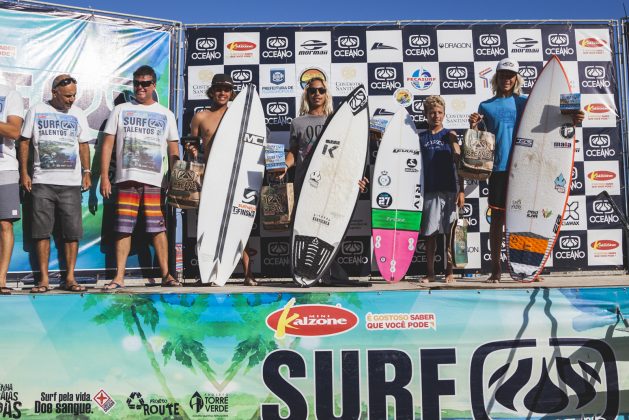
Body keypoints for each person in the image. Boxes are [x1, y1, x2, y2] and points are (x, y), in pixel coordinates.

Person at [469, 57, 583, 283]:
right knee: (498, 220)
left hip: (527, 168)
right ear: (497, 78)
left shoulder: (527, 103)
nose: (506, 79)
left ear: (516, 78)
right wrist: (473, 126)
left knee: (527, 217)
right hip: (499, 169)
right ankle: (495, 269)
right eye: (503, 75)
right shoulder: (486, 106)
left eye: (511, 75)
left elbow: (553, 125)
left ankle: (530, 266)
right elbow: (479, 137)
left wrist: (574, 118)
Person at [100, 65, 180, 289]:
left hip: (155, 181)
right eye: (136, 83)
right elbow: (107, 145)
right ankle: (118, 278)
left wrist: (176, 179)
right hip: (125, 178)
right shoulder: (121, 110)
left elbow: (173, 150)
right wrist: (104, 176)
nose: (140, 87)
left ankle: (167, 275)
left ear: (153, 85)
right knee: (123, 228)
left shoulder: (166, 113)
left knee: (157, 227)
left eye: (145, 83)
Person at [283, 77, 368, 285]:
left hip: (333, 186)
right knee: (304, 227)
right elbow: (293, 152)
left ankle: (326, 273)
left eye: (321, 90)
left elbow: (350, 155)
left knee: (332, 227)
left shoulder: (336, 121)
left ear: (326, 94)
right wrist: (282, 166)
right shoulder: (298, 122)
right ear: (307, 94)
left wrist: (358, 178)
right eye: (312, 91)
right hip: (306, 185)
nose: (317, 94)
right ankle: (305, 270)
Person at [18, 74, 91, 293]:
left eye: (74, 95)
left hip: (70, 184)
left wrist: (87, 172)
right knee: (41, 233)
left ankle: (70, 278)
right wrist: (24, 172)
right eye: (68, 96)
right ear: (54, 92)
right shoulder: (37, 110)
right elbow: (24, 141)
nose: (72, 100)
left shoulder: (78, 114)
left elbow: (84, 145)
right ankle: (43, 280)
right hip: (42, 182)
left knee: (72, 233)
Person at [187, 74, 258, 286]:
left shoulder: (240, 116)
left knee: (239, 223)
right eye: (218, 89)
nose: (222, 93)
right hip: (210, 178)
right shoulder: (200, 117)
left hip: (236, 179)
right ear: (212, 91)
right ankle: (209, 271)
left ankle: (248, 273)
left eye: (226, 90)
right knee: (209, 226)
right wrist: (191, 150)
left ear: (231, 93)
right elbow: (193, 146)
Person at [419, 95, 464, 284]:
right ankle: (430, 273)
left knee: (450, 234)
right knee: (430, 235)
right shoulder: (420, 137)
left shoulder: (450, 135)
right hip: (429, 191)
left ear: (444, 114)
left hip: (450, 191)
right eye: (432, 113)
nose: (436, 116)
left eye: (439, 112)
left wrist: (461, 190)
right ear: (426, 115)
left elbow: (460, 163)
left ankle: (449, 272)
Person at [0, 82, 24, 295]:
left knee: (5, 225)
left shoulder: (10, 94)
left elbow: (14, 131)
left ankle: (1, 280)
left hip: (4, 168)